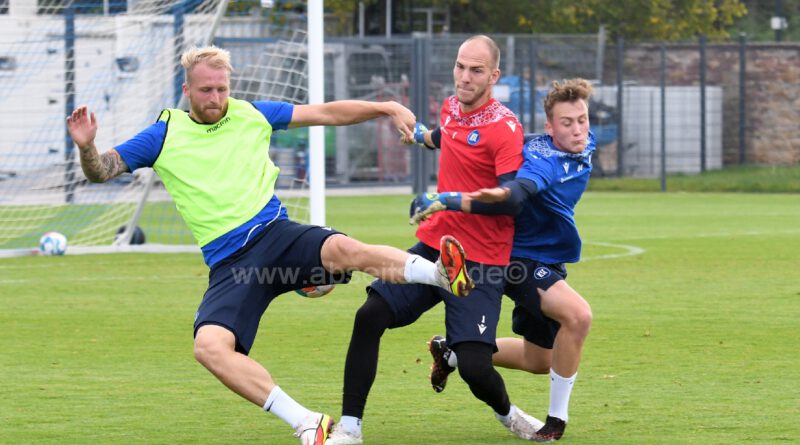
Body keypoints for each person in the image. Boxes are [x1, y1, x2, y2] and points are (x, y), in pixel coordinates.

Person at [65, 45, 474, 445]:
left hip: (276, 234)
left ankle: (439, 274)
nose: (217, 98)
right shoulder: (164, 134)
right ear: (187, 90)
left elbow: (327, 112)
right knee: (208, 348)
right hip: (231, 263)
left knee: (344, 249)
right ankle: (306, 421)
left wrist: (384, 106)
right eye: (206, 90)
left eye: (222, 89)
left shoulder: (251, 113)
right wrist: (86, 147)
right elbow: (102, 171)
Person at [326, 35, 545, 445]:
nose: (464, 77)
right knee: (369, 316)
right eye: (461, 66)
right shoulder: (451, 107)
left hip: (480, 262)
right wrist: (421, 136)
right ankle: (350, 428)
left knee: (476, 369)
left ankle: (509, 414)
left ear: (493, 75)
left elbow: (511, 202)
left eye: (476, 70)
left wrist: (446, 201)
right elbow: (451, 136)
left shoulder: (505, 128)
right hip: (435, 249)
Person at [413, 78, 596, 442]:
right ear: (549, 127)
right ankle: (555, 424)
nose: (577, 129)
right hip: (517, 260)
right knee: (578, 316)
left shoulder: (579, 143)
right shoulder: (543, 162)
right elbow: (521, 190)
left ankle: (452, 354)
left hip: (547, 259)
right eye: (566, 122)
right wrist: (453, 198)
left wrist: (426, 137)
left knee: (540, 361)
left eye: (582, 119)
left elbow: (469, 136)